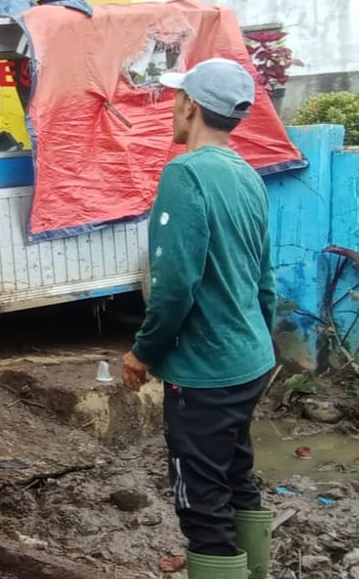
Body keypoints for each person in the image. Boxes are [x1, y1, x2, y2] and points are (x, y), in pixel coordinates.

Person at [121, 58, 277, 579]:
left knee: (202, 501)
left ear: (190, 105)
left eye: (176, 98)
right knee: (236, 475)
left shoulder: (185, 174)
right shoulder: (248, 176)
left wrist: (143, 352)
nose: (172, 108)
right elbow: (265, 282)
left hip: (205, 373)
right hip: (250, 360)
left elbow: (174, 287)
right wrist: (256, 342)